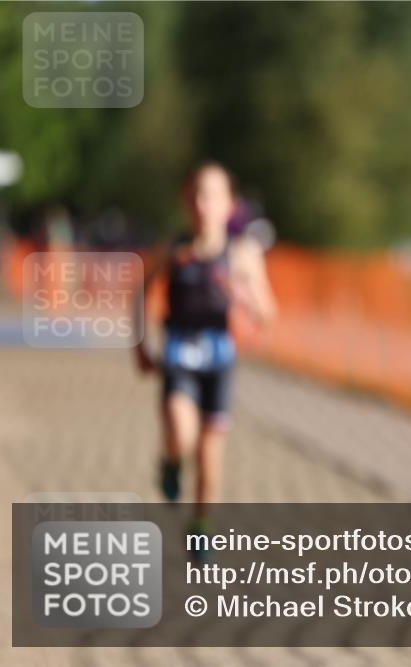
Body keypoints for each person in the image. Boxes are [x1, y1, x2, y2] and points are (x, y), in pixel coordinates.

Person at [134, 162, 276, 557]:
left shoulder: (242, 254)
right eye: (195, 195)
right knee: (181, 433)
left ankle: (201, 527)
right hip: (178, 355)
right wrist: (140, 346)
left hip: (219, 361)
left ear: (229, 204)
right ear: (185, 201)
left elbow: (268, 312)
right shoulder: (172, 248)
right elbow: (139, 292)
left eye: (211, 195)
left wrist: (243, 296)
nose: (202, 204)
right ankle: (171, 462)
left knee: (209, 456)